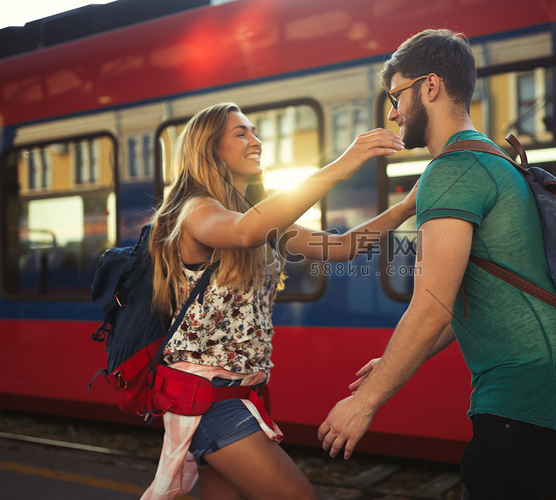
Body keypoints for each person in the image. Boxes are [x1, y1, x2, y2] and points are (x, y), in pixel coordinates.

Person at [318, 29, 556, 500]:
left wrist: (364, 403)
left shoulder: (451, 170)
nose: (391, 112)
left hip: (525, 388)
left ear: (430, 87)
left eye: (395, 95)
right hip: (544, 382)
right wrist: (393, 361)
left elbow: (430, 309)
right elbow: (468, 300)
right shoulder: (492, 159)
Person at [142, 102, 416, 500]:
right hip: (206, 397)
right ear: (210, 148)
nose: (255, 141)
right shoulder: (195, 211)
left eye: (254, 131)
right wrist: (344, 163)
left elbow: (340, 246)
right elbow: (244, 232)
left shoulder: (258, 216)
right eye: (242, 133)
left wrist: (405, 208)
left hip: (239, 392)